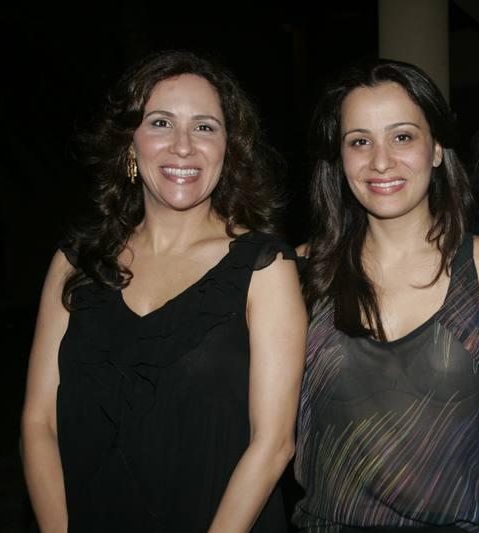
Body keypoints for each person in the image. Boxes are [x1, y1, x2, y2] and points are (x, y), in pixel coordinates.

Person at [20, 50, 306, 532]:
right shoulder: (75, 265)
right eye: (160, 123)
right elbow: (38, 423)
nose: (183, 146)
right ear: (129, 144)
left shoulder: (265, 268)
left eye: (204, 127)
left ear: (228, 149)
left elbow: (273, 444)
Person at [293, 59, 479, 532]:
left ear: (436, 149)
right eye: (359, 141)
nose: (380, 161)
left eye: (402, 137)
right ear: (340, 158)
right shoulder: (302, 275)